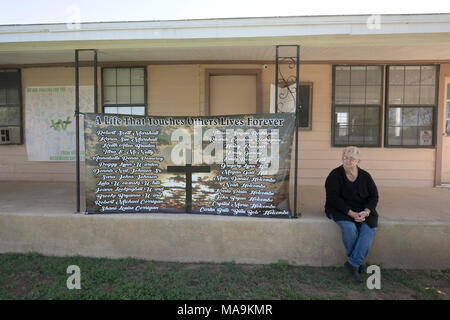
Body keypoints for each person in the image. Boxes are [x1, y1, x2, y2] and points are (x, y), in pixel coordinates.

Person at [324, 146, 379, 283]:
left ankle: (352, 264)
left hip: (362, 209)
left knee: (368, 229)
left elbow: (374, 196)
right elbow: (333, 199)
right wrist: (351, 214)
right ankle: (357, 264)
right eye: (345, 158)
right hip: (340, 209)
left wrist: (366, 212)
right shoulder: (334, 175)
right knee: (349, 228)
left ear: (358, 161)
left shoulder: (365, 176)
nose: (348, 161)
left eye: (352, 158)